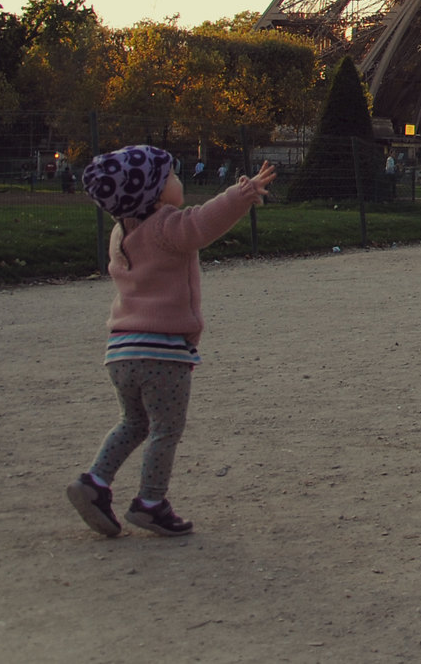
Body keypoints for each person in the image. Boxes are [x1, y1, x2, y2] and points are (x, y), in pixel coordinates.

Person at [66, 146, 275, 538]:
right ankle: (150, 502)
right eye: (173, 178)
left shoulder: (121, 233)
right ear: (155, 193)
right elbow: (202, 223)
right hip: (161, 352)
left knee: (133, 422)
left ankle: (95, 481)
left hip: (121, 351)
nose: (180, 182)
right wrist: (242, 194)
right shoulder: (165, 227)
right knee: (165, 429)